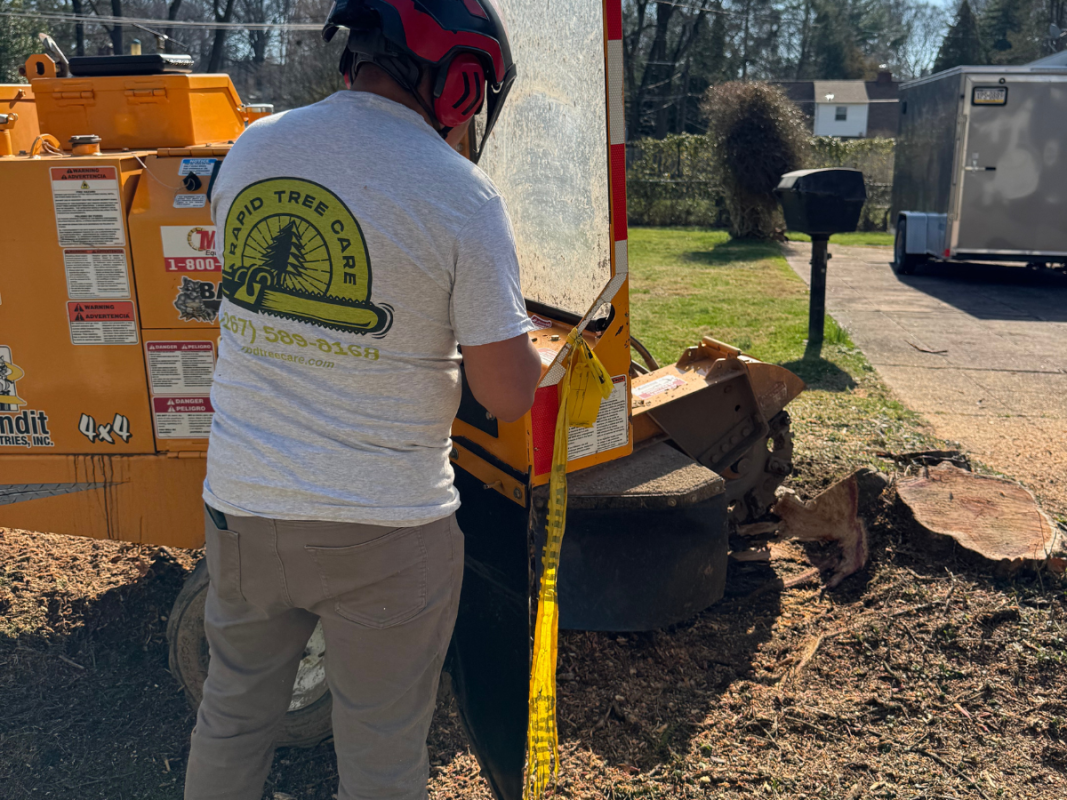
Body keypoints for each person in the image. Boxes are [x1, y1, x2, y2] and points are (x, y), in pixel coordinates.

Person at [183, 1, 541, 798]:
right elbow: (505, 392)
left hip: (242, 507)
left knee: (232, 718)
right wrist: (535, 350)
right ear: (456, 81)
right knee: (380, 754)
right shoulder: (463, 197)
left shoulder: (252, 149)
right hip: (385, 529)